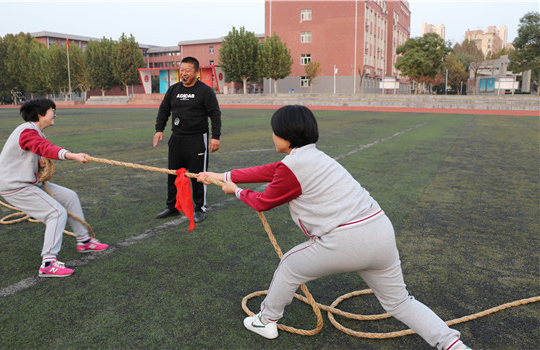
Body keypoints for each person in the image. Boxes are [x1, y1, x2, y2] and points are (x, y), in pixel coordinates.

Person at [197, 105, 471, 350]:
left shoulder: (294, 166)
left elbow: (263, 202)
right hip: (380, 232)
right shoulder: (312, 157)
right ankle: (452, 344)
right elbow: (270, 170)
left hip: (347, 241)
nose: (272, 136)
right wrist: (220, 176)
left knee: (290, 265)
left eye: (274, 131)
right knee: (400, 302)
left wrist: (235, 191)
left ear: (286, 136)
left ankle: (266, 320)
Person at [0, 99, 109, 278]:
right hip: (15, 185)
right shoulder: (27, 132)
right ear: (40, 114)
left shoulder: (34, 132)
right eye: (52, 110)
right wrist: (73, 156)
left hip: (29, 182)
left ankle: (84, 241)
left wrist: (39, 161)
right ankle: (48, 263)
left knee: (70, 197)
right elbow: (44, 148)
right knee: (56, 213)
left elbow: (37, 150)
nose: (55, 114)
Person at [153, 56, 221, 223]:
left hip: (198, 139)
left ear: (196, 72)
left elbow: (215, 114)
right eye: (181, 70)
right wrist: (159, 129)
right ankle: (173, 206)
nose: (183, 73)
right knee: (173, 174)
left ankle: (200, 208)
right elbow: (164, 110)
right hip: (177, 138)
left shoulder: (205, 91)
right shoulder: (173, 89)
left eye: (187, 71)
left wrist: (215, 137)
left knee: (198, 176)